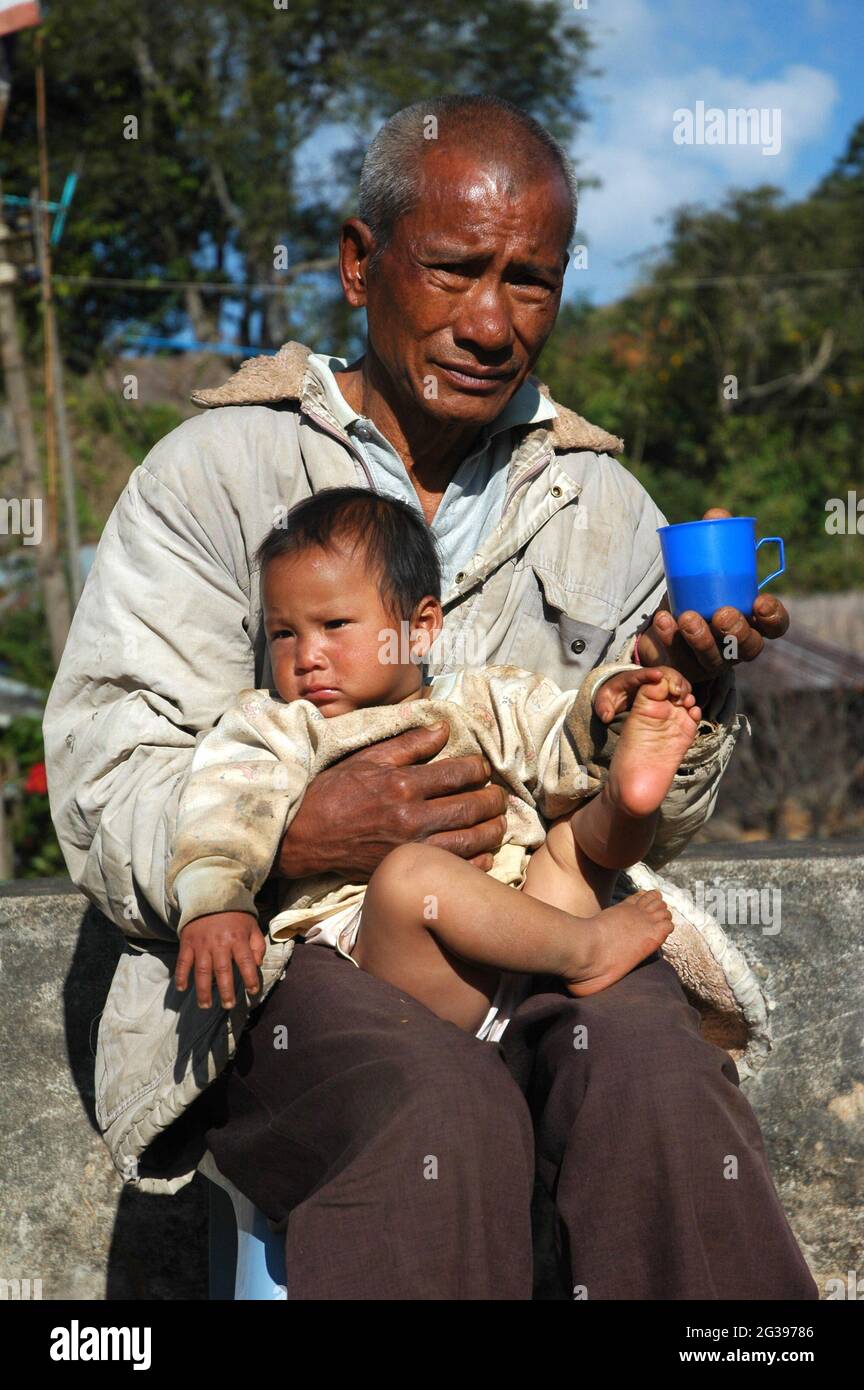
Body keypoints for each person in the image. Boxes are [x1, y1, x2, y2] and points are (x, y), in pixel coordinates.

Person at [43, 94, 817, 1299]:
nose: (493, 323)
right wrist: (296, 830)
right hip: (296, 975)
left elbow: (641, 814)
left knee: (658, 1066)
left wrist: (673, 704)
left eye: (532, 282)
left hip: (537, 936)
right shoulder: (212, 475)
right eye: (456, 271)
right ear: (360, 264)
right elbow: (104, 773)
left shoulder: (603, 504)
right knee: (433, 1106)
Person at [169, 485, 699, 1035]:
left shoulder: (481, 701)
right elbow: (223, 811)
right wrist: (216, 902)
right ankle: (588, 951)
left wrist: (606, 701)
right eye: (283, 633)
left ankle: (630, 800)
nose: (307, 657)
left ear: (419, 629)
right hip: (405, 968)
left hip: (527, 924)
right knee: (409, 875)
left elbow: (557, 743)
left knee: (574, 831)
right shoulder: (279, 726)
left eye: (334, 626)